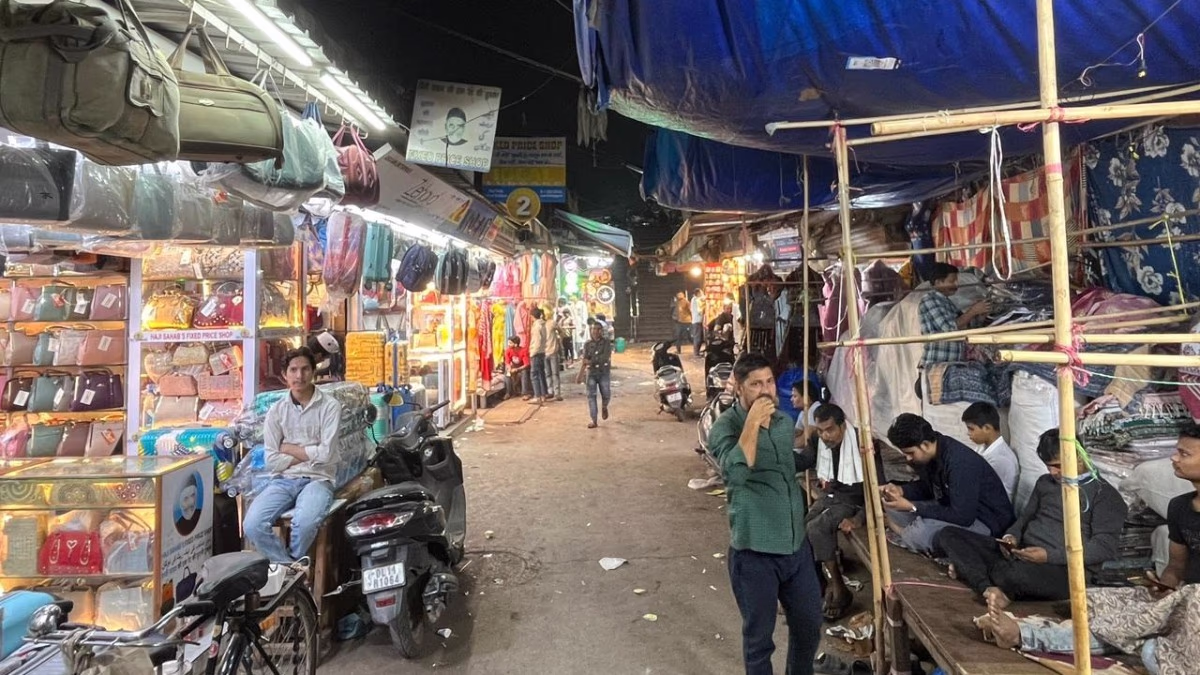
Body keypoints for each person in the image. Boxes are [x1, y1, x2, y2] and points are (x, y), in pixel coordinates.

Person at [974, 424, 1200, 675]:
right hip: (1182, 599)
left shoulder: (1103, 494)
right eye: (1176, 451)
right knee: (1095, 601)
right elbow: (1176, 568)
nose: (1173, 458)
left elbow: (1103, 547)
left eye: (1184, 453)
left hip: (1196, 603)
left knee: (1148, 620)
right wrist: (1163, 587)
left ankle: (1025, 635)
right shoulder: (1180, 507)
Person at [708, 353, 822, 675]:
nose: (766, 390)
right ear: (739, 388)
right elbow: (736, 474)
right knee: (759, 641)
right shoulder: (724, 428)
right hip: (755, 552)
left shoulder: (784, 422)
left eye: (769, 382)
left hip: (795, 546)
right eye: (755, 384)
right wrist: (753, 424)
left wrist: (820, 446)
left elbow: (785, 463)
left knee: (809, 626)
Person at [937, 428, 1126, 611]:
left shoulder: (1104, 495)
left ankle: (974, 572)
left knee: (1010, 573)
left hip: (1063, 570)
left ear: (1078, 457)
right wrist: (1011, 536)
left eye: (1058, 465)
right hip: (1022, 555)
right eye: (1048, 466)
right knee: (949, 535)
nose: (1052, 472)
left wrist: (1048, 556)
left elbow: (1103, 548)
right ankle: (988, 588)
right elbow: (1025, 518)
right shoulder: (1045, 483)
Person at [243, 347, 343, 563]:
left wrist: (288, 448)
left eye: (305, 369)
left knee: (305, 523)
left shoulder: (330, 407)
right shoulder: (276, 411)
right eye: (293, 370)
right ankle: (290, 567)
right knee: (252, 524)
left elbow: (326, 454)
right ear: (284, 375)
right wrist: (310, 451)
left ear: (313, 371)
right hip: (284, 480)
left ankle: (292, 565)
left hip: (318, 478)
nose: (299, 376)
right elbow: (272, 461)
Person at [794, 403, 883, 622]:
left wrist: (859, 518)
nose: (825, 436)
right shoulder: (819, 440)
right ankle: (817, 583)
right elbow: (804, 460)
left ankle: (840, 589)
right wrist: (776, 454)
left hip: (856, 500)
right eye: (821, 430)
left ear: (842, 426)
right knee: (802, 527)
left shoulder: (864, 444)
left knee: (817, 527)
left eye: (830, 430)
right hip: (832, 495)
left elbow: (877, 489)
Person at [881, 413, 1014, 555]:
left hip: (984, 522)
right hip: (952, 508)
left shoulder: (960, 463)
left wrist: (913, 507)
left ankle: (907, 535)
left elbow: (963, 517)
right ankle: (910, 535)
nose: (908, 458)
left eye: (910, 453)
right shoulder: (931, 454)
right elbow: (928, 488)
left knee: (919, 533)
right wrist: (901, 490)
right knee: (894, 508)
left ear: (925, 445)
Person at [918, 262, 991, 368]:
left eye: (956, 280)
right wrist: (973, 311)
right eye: (952, 281)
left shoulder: (947, 303)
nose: (956, 284)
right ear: (938, 282)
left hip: (953, 364)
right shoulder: (929, 300)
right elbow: (950, 329)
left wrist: (980, 315)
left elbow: (965, 326)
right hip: (938, 365)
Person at [961, 402, 1019, 502]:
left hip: (993, 508)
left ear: (987, 428)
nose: (968, 433)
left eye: (971, 429)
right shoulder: (981, 448)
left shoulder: (1000, 459)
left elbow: (973, 485)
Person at [576, 322, 612, 429]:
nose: (596, 331)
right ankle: (594, 420)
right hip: (591, 373)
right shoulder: (587, 344)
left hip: (603, 372)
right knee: (591, 396)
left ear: (601, 331)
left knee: (606, 394)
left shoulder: (606, 343)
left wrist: (591, 361)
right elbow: (585, 360)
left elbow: (604, 358)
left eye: (598, 329)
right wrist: (580, 374)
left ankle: (604, 406)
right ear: (590, 330)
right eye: (593, 329)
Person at [528, 307, 549, 405]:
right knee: (541, 373)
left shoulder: (536, 327)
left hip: (536, 353)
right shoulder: (543, 325)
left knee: (534, 375)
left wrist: (532, 353)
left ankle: (537, 396)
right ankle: (543, 394)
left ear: (532, 316)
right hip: (542, 352)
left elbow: (537, 341)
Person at [503, 335, 532, 400]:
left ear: (516, 344)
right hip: (513, 368)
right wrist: (509, 368)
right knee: (507, 373)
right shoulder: (508, 350)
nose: (508, 344)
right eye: (508, 342)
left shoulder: (523, 350)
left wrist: (517, 369)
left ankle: (525, 393)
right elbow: (507, 363)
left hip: (523, 368)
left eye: (510, 343)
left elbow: (526, 364)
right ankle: (508, 393)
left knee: (524, 372)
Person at [545, 307, 563, 402]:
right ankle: (553, 392)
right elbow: (561, 331)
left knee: (551, 373)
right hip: (549, 351)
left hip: (549, 351)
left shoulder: (551, 323)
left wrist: (558, 340)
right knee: (552, 373)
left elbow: (560, 331)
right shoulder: (550, 323)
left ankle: (554, 392)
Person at [691, 289, 706, 357]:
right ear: (698, 294)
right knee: (697, 338)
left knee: (699, 337)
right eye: (701, 293)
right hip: (697, 321)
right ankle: (696, 353)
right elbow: (700, 311)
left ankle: (697, 352)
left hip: (698, 321)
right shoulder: (696, 300)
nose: (702, 294)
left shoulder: (695, 299)